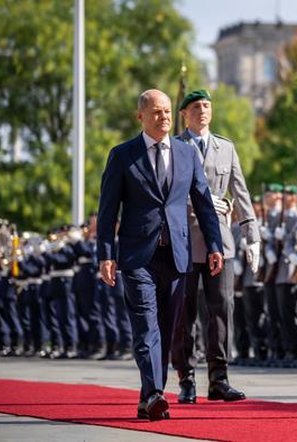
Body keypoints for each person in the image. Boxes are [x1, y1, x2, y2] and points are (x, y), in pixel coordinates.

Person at [97, 89, 224, 421]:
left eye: (167, 111)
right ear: (141, 116)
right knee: (146, 325)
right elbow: (108, 210)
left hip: (177, 255)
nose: (164, 117)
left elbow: (203, 203)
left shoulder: (186, 154)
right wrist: (105, 254)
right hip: (138, 257)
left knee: (168, 329)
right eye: (156, 112)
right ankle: (155, 393)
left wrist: (215, 245)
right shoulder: (123, 155)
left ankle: (147, 397)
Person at [171, 89, 260, 404]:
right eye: (196, 106)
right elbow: (167, 192)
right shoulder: (175, 147)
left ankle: (219, 378)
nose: (203, 111)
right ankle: (186, 378)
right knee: (184, 312)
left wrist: (252, 234)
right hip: (184, 238)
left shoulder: (226, 148)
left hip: (220, 240)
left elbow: (241, 191)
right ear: (185, 114)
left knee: (222, 308)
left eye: (207, 106)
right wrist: (202, 202)